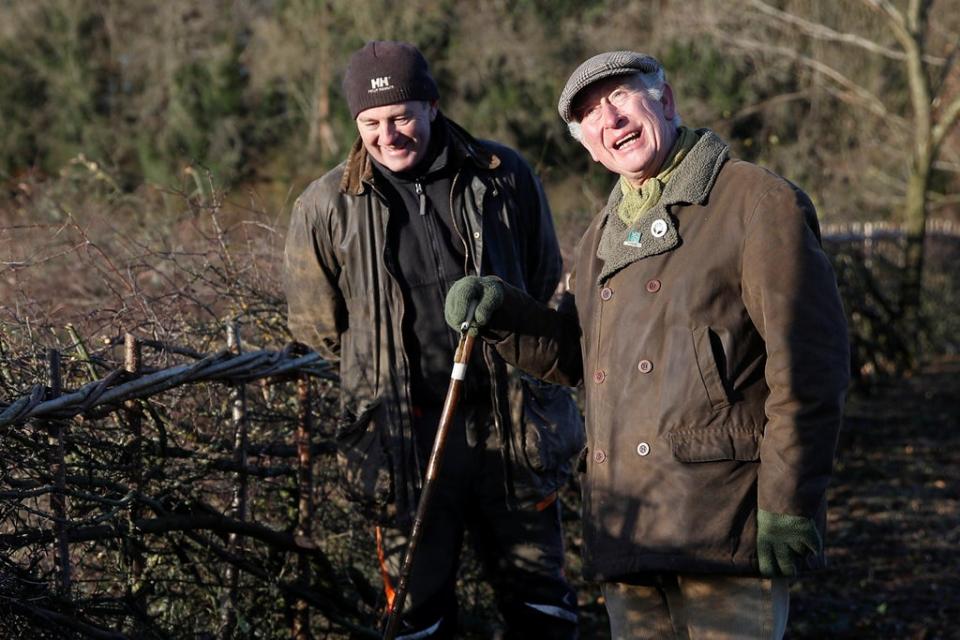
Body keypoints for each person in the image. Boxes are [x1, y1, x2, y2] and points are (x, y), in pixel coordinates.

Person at [445, 51, 850, 639]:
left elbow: (809, 367)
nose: (609, 120)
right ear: (586, 144)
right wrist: (504, 313)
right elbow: (575, 354)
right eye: (589, 114)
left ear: (666, 99)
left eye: (620, 97)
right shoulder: (602, 237)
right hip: (630, 526)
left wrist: (790, 500)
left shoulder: (755, 202)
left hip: (721, 522)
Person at [283, 41, 581, 639]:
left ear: (432, 106)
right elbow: (317, 327)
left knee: (541, 603)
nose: (386, 134)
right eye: (369, 122)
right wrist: (385, 366)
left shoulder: (502, 177)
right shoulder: (325, 207)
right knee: (417, 616)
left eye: (400, 116)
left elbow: (542, 280)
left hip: (513, 429)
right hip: (401, 443)